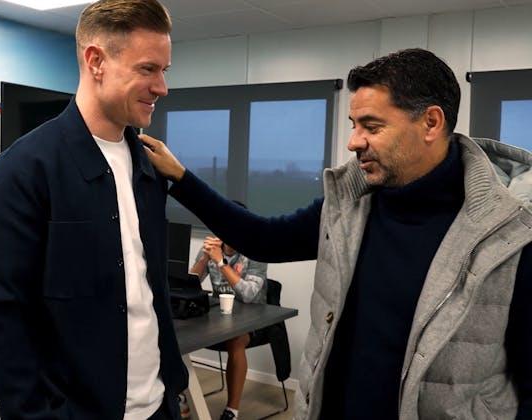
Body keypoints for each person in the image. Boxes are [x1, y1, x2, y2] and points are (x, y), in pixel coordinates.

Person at [141, 48, 532, 419]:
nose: (353, 141)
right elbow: (265, 239)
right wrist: (182, 179)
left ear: (431, 122)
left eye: (372, 126)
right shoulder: (348, 204)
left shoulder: (510, 233)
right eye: (353, 125)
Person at [0, 1, 187, 419]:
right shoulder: (23, 171)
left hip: (158, 406)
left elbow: (148, 292)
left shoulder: (149, 168)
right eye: (148, 69)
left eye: (164, 70)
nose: (162, 87)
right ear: (96, 62)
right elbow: (2, 318)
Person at [190, 201, 267, 420]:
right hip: (221, 317)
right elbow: (191, 284)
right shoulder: (213, 249)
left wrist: (221, 263)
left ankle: (232, 410)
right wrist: (205, 258)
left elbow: (249, 295)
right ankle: (181, 396)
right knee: (176, 332)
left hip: (254, 319)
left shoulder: (255, 251)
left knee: (236, 339)